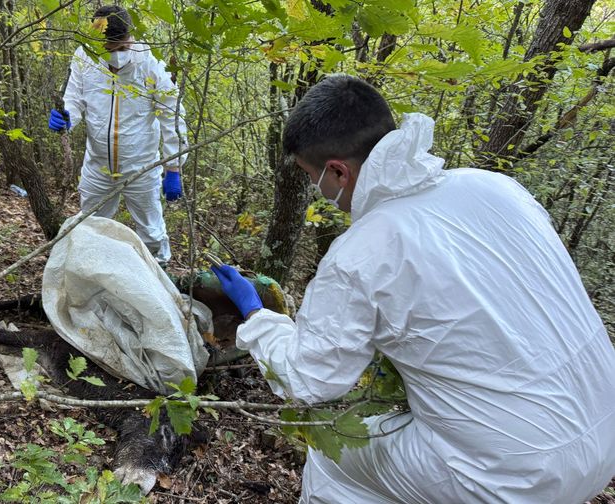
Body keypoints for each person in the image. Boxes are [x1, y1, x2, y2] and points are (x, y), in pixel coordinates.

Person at [211, 74, 615, 503]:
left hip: (511, 476)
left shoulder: (363, 251)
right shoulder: (493, 187)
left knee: (335, 451)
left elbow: (309, 380)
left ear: (337, 171)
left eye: (313, 178)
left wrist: (256, 317)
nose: (318, 191)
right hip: (604, 440)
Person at [48, 5, 187, 266]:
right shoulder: (84, 57)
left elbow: (172, 114)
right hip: (98, 166)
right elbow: (75, 99)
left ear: (130, 38)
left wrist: (174, 167)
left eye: (123, 48)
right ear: (97, 42)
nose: (117, 55)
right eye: (110, 49)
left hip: (141, 166)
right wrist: (66, 116)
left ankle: (160, 275)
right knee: (92, 229)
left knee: (152, 233)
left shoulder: (150, 60)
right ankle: (95, 275)